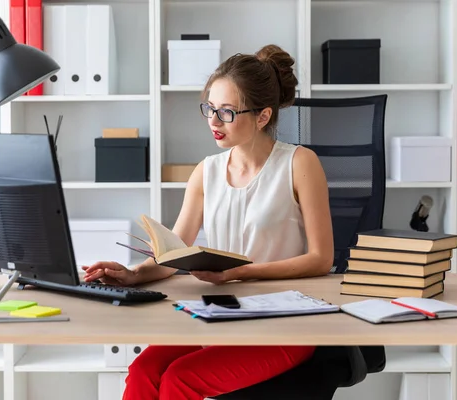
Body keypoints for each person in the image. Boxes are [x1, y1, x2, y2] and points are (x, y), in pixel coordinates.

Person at [82, 44, 335, 400]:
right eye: (210, 109)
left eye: (227, 112)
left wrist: (238, 273)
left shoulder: (300, 163)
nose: (214, 122)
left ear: (263, 116)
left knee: (179, 380)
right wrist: (133, 274)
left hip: (283, 324)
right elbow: (174, 253)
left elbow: (322, 258)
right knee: (143, 370)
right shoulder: (207, 171)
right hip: (220, 315)